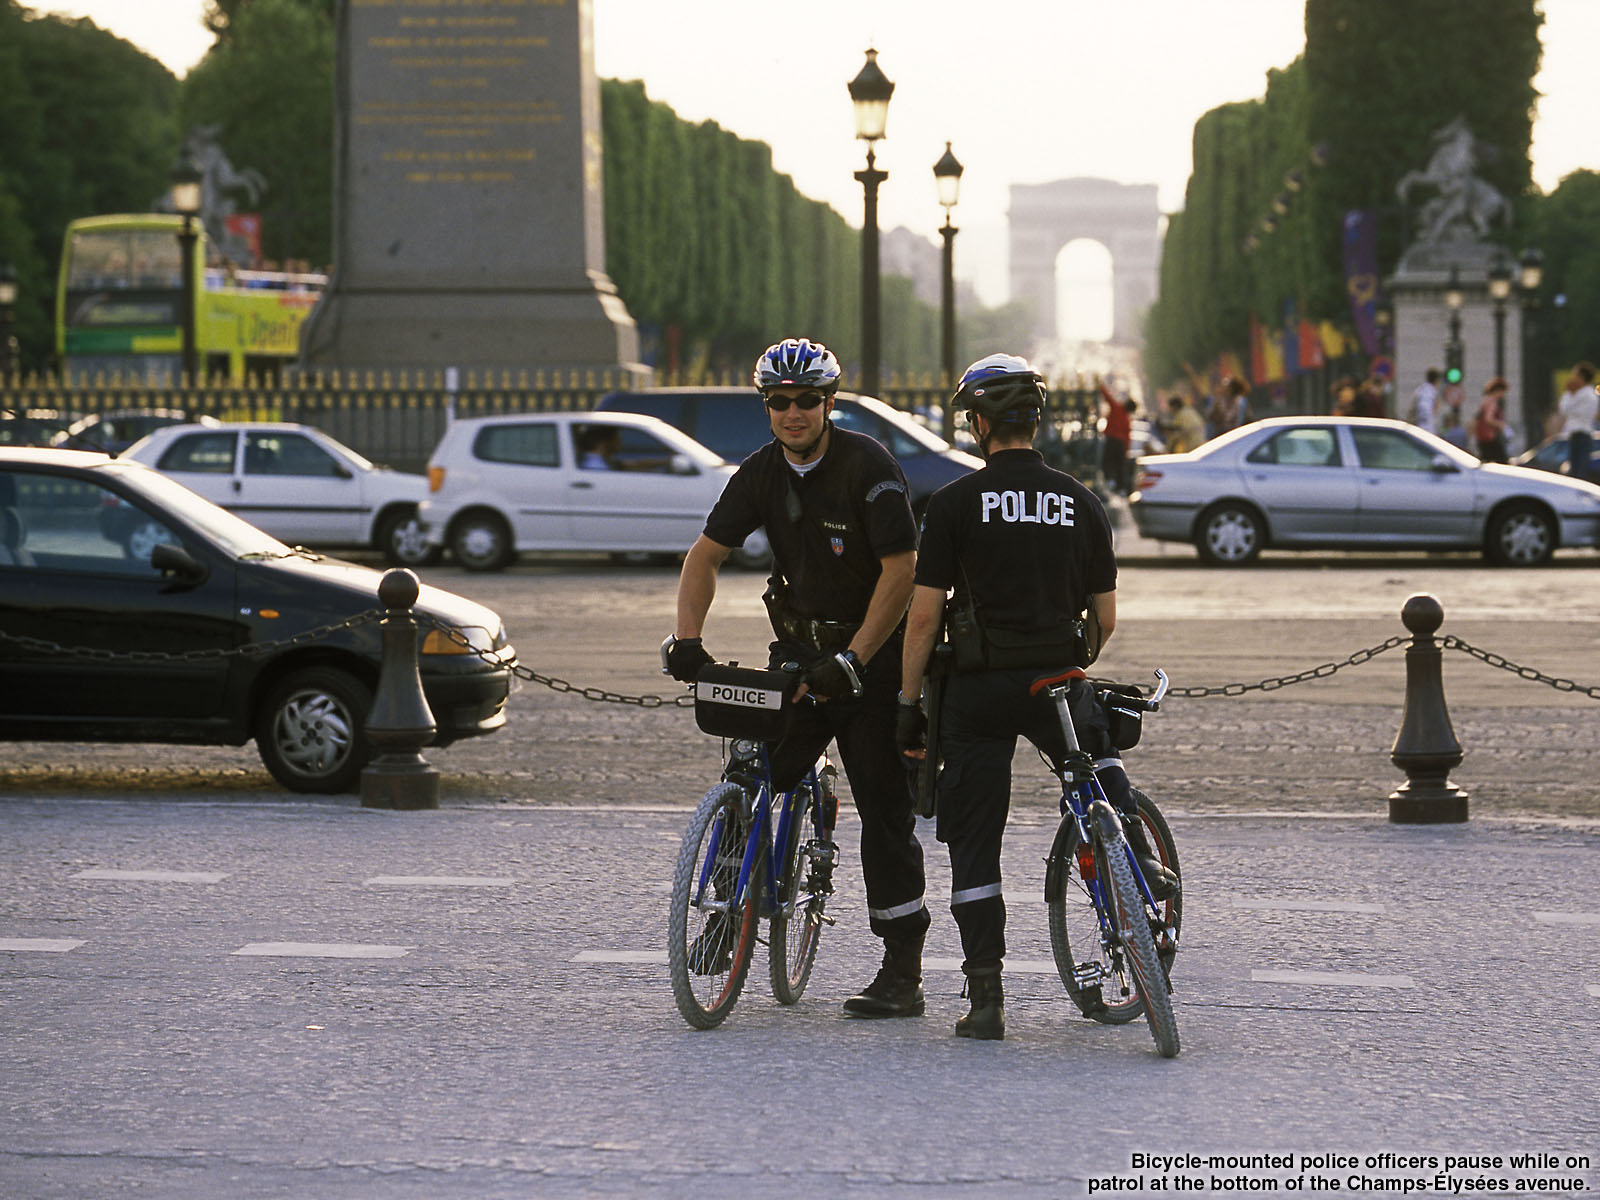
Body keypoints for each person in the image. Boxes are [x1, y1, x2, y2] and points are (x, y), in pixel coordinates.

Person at [895, 354, 1178, 1042]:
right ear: (1036, 421)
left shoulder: (954, 504)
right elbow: (1104, 617)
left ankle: (986, 997)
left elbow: (924, 619)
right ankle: (1136, 860)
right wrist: (1072, 663)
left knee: (975, 839)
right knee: (1096, 765)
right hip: (1057, 679)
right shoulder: (1081, 501)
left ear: (980, 424)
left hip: (978, 689)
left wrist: (909, 703)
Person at [664, 337, 931, 1019]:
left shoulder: (868, 465)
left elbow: (902, 571)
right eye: (778, 401)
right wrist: (687, 640)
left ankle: (902, 971)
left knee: (885, 810)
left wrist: (855, 659)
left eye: (806, 400)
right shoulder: (760, 472)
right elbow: (704, 556)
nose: (792, 413)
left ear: (829, 403)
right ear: (766, 406)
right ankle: (725, 919)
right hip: (797, 655)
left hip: (869, 658)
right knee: (749, 773)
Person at [1556, 362, 1597, 481]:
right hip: (1576, 435)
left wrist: (1569, 393)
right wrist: (1570, 393)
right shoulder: (1579, 393)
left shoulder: (1587, 395)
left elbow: (1566, 409)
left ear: (1582, 377)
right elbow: (1564, 409)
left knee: (1578, 472)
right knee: (1575, 470)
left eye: (1575, 375)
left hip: (1581, 435)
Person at [1098, 382, 1132, 494]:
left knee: (1107, 461)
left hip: (1111, 440)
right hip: (1121, 443)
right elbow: (1128, 437)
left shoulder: (1117, 408)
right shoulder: (1127, 420)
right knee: (1120, 465)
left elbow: (1108, 397)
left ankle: (1109, 480)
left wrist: (1100, 385)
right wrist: (1126, 450)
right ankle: (1120, 487)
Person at [1473, 377, 1510, 463]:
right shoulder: (1492, 401)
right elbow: (1488, 418)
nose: (1502, 395)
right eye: (1502, 392)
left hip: (1482, 437)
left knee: (1487, 460)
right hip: (1490, 437)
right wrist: (1501, 425)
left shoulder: (1485, 400)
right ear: (1498, 390)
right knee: (1503, 461)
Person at [1409, 369, 1441, 434]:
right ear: (1437, 380)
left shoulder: (1420, 389)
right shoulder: (1432, 392)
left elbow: (1413, 407)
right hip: (1427, 428)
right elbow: (1430, 410)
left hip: (1417, 426)